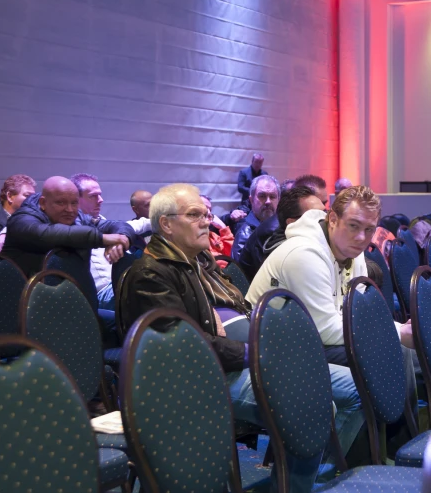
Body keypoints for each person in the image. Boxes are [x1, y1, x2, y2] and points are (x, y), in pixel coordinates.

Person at [120, 183, 362, 492]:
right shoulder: (150, 274)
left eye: (206, 214)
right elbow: (184, 348)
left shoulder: (201, 263)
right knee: (310, 403)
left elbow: (239, 311)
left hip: (245, 356)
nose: (207, 220)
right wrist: (258, 352)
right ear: (166, 224)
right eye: (194, 214)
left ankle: (315, 478)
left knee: (354, 387)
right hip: (200, 376)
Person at [245, 186, 414, 364]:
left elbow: (359, 315)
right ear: (333, 219)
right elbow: (326, 329)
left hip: (313, 339)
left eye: (369, 229)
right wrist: (397, 333)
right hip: (277, 349)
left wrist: (401, 328)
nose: (361, 237)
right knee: (391, 353)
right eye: (353, 225)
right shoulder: (304, 253)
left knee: (409, 350)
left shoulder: (350, 250)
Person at [1, 176, 134, 278]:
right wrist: (102, 239)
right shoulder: (22, 219)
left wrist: (121, 239)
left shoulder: (78, 216)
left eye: (74, 203)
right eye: (61, 203)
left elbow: (117, 225)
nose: (69, 210)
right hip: (25, 305)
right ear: (43, 203)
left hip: (75, 301)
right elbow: (48, 234)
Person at [70, 173, 151, 310]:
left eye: (100, 194)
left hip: (117, 284)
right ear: (76, 199)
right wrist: (111, 240)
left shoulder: (101, 221)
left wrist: (170, 221)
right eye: (93, 196)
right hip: (103, 294)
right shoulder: (71, 226)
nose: (100, 200)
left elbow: (135, 225)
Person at [239, 186, 325, 282]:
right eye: (315, 216)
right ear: (291, 223)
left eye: (325, 212)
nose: (326, 221)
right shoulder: (275, 237)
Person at [231, 175, 280, 260]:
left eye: (272, 196)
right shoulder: (244, 235)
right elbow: (239, 272)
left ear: (279, 200)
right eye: (262, 196)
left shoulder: (285, 226)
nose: (268, 201)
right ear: (251, 200)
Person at [0, 174, 35, 254]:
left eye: (33, 197)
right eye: (27, 196)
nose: (32, 201)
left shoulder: (30, 220)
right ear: (10, 196)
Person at [199, 194, 234, 261]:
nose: (209, 212)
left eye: (210, 209)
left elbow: (232, 255)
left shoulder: (213, 236)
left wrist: (223, 228)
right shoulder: (188, 238)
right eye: (205, 208)